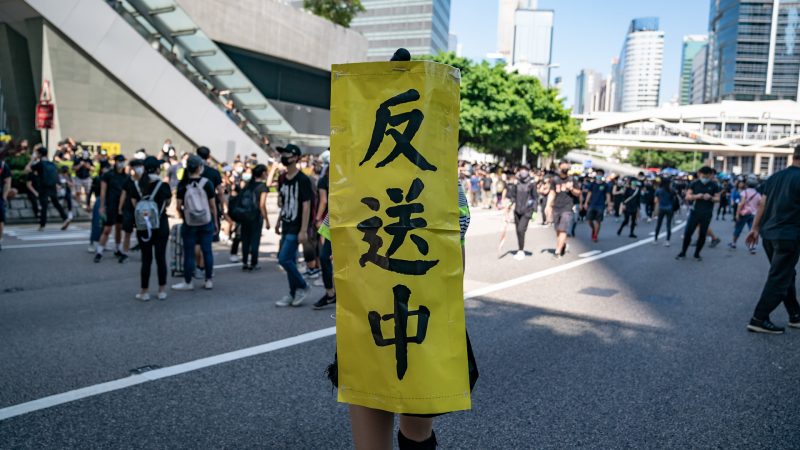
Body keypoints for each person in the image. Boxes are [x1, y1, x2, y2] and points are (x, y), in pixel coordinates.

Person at [744, 145, 800, 334]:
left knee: (786, 274)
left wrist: (755, 228)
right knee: (780, 278)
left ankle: (795, 315)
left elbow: (762, 203)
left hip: (769, 234)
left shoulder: (776, 176)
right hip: (789, 235)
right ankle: (759, 318)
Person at [172, 155, 218, 291]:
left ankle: (188, 282)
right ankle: (208, 280)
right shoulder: (207, 183)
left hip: (190, 222)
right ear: (199, 167)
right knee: (207, 251)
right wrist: (215, 221)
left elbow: (178, 205)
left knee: (189, 253)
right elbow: (212, 206)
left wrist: (183, 216)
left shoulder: (183, 184)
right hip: (206, 221)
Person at [275, 144, 312, 307]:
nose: (284, 156)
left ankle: (303, 286)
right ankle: (292, 292)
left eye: (287, 154)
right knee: (290, 259)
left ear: (296, 157)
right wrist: (278, 220)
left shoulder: (303, 179)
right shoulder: (282, 177)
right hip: (285, 222)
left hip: (296, 225)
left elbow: (306, 205)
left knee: (283, 259)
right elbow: (283, 201)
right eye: (282, 154)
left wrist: (304, 229)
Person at [132, 156, 171, 301]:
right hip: (161, 224)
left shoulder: (137, 185)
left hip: (143, 226)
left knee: (146, 259)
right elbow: (167, 203)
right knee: (160, 258)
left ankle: (144, 291)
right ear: (157, 169)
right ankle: (161, 290)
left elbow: (134, 204)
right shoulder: (164, 186)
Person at [676, 167, 720, 261]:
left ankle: (697, 254)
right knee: (688, 233)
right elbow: (687, 197)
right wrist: (697, 196)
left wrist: (711, 198)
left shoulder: (714, 185)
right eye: (703, 176)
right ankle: (683, 252)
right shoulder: (694, 183)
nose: (705, 178)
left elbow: (718, 198)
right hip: (694, 212)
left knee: (702, 235)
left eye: (708, 176)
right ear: (699, 174)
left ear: (711, 175)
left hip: (707, 213)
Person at [25, 146, 71, 231]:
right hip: (52, 186)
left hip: (43, 187)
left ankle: (42, 225)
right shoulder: (52, 163)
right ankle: (65, 218)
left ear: (39, 154)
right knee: (56, 203)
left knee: (44, 205)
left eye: (37, 153)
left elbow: (27, 169)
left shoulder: (40, 164)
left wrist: (32, 160)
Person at [94, 155, 129, 263]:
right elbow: (103, 191)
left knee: (119, 228)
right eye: (119, 161)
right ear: (115, 162)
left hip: (122, 206)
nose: (121, 163)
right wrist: (102, 206)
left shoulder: (126, 177)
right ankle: (99, 252)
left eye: (123, 161)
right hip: (110, 205)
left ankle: (118, 249)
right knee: (107, 229)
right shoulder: (108, 175)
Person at [313, 151, 336, 309]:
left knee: (326, 256)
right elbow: (325, 201)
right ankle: (330, 293)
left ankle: (332, 293)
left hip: (344, 220)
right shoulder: (326, 179)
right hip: (333, 219)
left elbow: (323, 200)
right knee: (325, 256)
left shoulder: (350, 176)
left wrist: (317, 218)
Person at [546, 160, 581, 259]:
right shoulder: (554, 180)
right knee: (558, 229)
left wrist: (571, 189)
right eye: (563, 167)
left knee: (563, 229)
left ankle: (557, 251)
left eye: (566, 167)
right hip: (556, 207)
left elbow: (578, 193)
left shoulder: (572, 179)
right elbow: (552, 193)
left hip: (567, 208)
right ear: (559, 168)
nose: (565, 169)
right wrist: (548, 205)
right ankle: (563, 245)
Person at [238, 164, 270, 271]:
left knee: (245, 239)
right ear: (263, 173)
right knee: (255, 239)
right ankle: (254, 263)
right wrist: (267, 220)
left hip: (244, 215)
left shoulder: (248, 185)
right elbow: (262, 205)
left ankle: (244, 262)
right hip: (256, 216)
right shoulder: (263, 187)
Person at [507, 166, 537, 260]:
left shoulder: (532, 183)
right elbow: (513, 195)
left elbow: (535, 197)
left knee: (521, 230)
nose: (523, 172)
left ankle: (521, 251)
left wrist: (535, 211)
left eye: (525, 170)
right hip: (517, 210)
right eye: (521, 170)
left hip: (527, 210)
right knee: (518, 231)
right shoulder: (517, 182)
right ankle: (520, 249)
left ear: (528, 171)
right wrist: (510, 203)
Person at [117, 159, 144, 263]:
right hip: (129, 208)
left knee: (142, 232)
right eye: (136, 167)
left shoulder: (145, 180)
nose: (138, 169)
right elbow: (123, 194)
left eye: (140, 166)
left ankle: (143, 252)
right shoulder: (128, 180)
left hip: (142, 209)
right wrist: (120, 207)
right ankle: (125, 253)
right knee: (127, 231)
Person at [730, 179, 761, 253]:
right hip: (754, 214)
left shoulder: (744, 192)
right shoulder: (758, 194)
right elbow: (760, 205)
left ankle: (733, 243)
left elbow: (741, 203)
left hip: (744, 213)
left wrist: (737, 214)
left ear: (746, 185)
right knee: (752, 230)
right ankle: (752, 247)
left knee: (738, 228)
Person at [583, 169, 612, 243]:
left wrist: (609, 205)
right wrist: (586, 202)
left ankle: (595, 235)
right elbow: (589, 193)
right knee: (589, 220)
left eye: (600, 174)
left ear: (602, 175)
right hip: (592, 204)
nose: (599, 175)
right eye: (598, 174)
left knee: (598, 221)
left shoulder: (605, 185)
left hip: (601, 205)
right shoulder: (592, 184)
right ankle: (593, 229)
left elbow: (608, 195)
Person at [653, 178, 677, 246]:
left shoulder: (659, 190)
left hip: (661, 208)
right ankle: (667, 241)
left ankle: (655, 239)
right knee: (668, 225)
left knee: (659, 224)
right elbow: (675, 199)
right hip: (670, 208)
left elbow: (655, 201)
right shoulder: (672, 190)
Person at [0, 148, 11, 251]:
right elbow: (7, 182)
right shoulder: (3, 165)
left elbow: (7, 182)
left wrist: (4, 196)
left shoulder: (3, 165)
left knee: (1, 219)